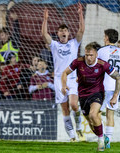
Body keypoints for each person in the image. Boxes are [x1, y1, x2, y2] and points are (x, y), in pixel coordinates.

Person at [61, 42, 120, 151]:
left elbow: (119, 78)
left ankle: (100, 142)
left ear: (96, 55)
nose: (89, 58)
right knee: (91, 122)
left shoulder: (102, 64)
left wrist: (115, 96)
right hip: (83, 95)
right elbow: (65, 72)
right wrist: (63, 85)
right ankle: (102, 136)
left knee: (93, 114)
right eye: (87, 55)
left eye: (91, 55)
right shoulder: (78, 62)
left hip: (97, 93)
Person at [41, 3, 85, 141]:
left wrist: (80, 14)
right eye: (61, 30)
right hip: (59, 79)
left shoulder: (73, 43)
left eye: (65, 30)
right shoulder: (54, 45)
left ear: (68, 33)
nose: (63, 32)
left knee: (73, 105)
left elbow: (82, 30)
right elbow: (44, 34)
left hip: (72, 78)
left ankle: (78, 128)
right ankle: (72, 136)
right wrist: (45, 19)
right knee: (65, 109)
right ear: (58, 34)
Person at [97, 29, 120, 148]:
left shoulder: (101, 51)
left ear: (107, 37)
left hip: (102, 87)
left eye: (104, 36)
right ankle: (108, 140)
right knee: (110, 115)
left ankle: (102, 137)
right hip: (116, 87)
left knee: (96, 113)